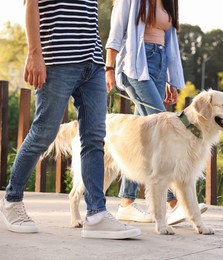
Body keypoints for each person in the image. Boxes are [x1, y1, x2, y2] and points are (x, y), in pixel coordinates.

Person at [0, 0, 140, 239]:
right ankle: (12, 200)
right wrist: (34, 53)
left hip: (93, 63)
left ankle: (96, 214)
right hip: (56, 60)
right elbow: (30, 4)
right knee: (43, 133)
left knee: (95, 138)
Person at [105, 0, 207, 225]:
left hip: (159, 64)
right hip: (135, 63)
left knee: (146, 135)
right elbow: (116, 30)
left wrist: (170, 78)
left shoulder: (169, 2)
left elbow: (169, 42)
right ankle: (174, 204)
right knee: (164, 127)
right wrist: (109, 68)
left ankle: (127, 202)